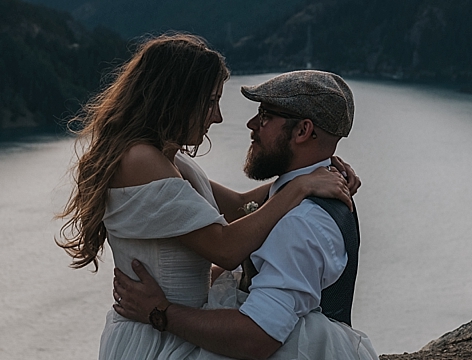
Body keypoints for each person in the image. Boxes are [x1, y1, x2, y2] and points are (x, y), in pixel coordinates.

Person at [56, 34, 358, 360]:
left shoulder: (169, 158)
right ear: (177, 98)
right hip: (156, 337)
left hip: (175, 326)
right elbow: (226, 248)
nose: (218, 117)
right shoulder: (140, 161)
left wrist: (319, 175)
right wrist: (301, 187)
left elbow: (242, 208)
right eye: (211, 101)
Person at [112, 70, 380, 360]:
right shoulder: (298, 195)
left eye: (265, 115)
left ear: (303, 131)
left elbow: (256, 337)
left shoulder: (302, 221)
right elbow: (243, 207)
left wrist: (161, 311)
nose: (251, 123)